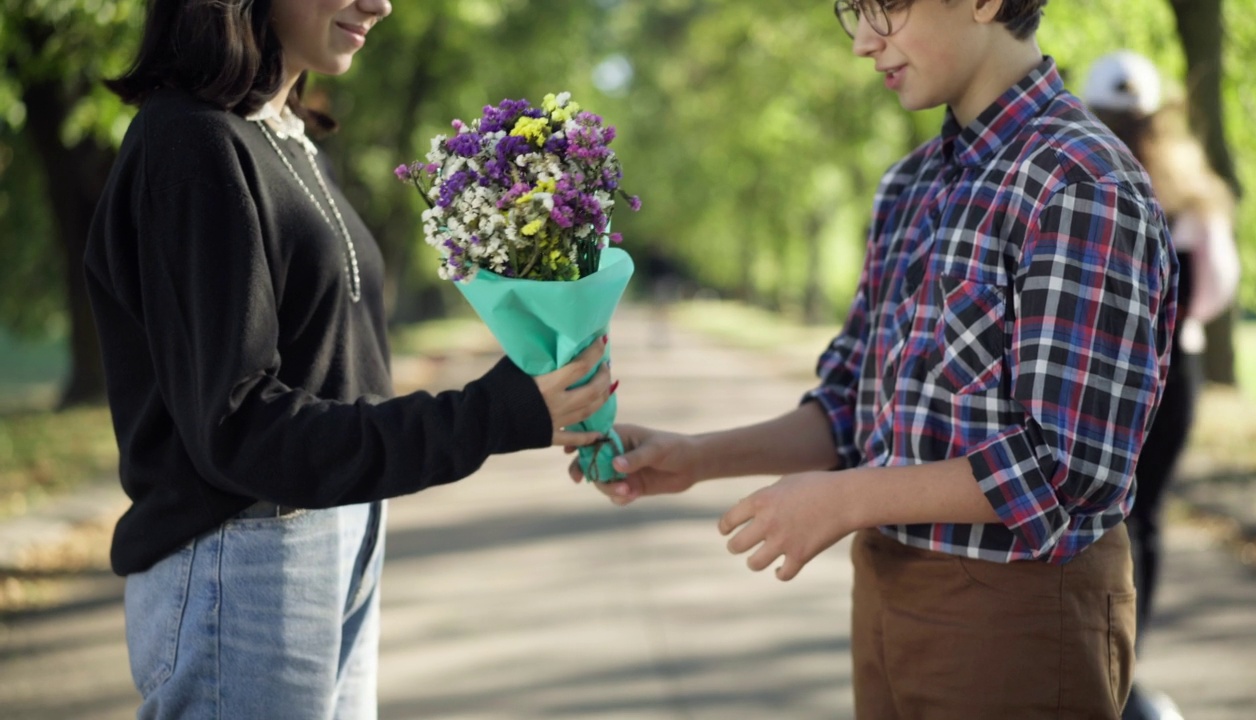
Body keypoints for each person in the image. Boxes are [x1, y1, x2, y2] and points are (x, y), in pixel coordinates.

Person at [573, 1, 1178, 717]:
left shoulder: (1079, 183)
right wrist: (695, 456)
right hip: (888, 594)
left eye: (885, 8)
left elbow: (1068, 467)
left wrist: (850, 498)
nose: (864, 42)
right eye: (852, 12)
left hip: (1021, 612)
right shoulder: (910, 185)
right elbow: (853, 408)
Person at [84, 0, 613, 717]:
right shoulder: (189, 143)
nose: (380, 3)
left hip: (335, 538)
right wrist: (494, 414)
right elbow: (238, 426)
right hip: (242, 562)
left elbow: (330, 385)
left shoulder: (289, 140)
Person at [1082, 50, 1241, 720]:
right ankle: (1125, 670)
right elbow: (1215, 290)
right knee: (1143, 521)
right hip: (1173, 368)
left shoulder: (1083, 182)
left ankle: (1097, 666)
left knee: (1101, 515)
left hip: (1100, 369)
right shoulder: (1194, 193)